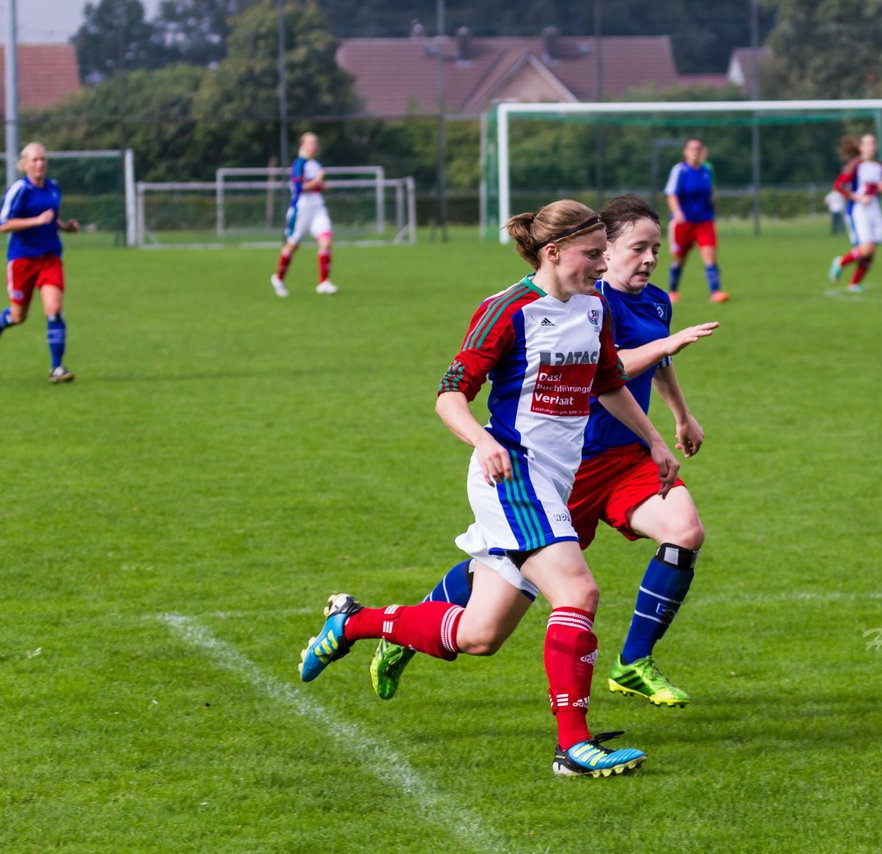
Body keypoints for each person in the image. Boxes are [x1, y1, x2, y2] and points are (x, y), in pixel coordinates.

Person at [298, 199, 681, 778]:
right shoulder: (508, 309)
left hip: (555, 481)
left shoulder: (594, 308)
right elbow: (450, 393)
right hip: (510, 474)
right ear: (553, 252)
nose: (603, 265)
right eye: (592, 254)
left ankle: (352, 622)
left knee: (479, 635)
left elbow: (607, 381)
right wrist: (481, 440)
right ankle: (573, 748)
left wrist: (654, 441)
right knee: (577, 593)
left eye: (606, 253)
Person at [370, 194, 719, 709]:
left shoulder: (621, 302)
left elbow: (611, 377)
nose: (646, 259)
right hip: (553, 471)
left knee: (683, 532)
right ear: (565, 251)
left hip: (622, 461)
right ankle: (397, 627)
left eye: (654, 249)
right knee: (496, 595)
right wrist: (484, 440)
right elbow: (616, 367)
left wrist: (667, 428)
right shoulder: (529, 306)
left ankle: (630, 667)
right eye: (632, 248)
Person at [0, 142, 80, 383]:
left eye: (43, 159)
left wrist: (65, 227)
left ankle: (56, 368)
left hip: (49, 258)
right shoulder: (19, 190)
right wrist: (35, 221)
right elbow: (4, 224)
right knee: (18, 317)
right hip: (22, 260)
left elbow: (52, 219)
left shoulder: (54, 188)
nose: (39, 164)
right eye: (34, 160)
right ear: (24, 164)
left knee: (54, 310)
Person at [271, 132, 337, 297]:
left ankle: (323, 282)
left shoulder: (316, 164)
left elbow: (315, 187)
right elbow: (298, 188)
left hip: (318, 207)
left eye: (315, 142)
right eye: (310, 142)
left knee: (326, 242)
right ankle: (278, 278)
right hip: (301, 209)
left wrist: (322, 185)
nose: (314, 145)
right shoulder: (299, 164)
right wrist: (317, 181)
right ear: (302, 145)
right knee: (293, 245)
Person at [664, 138, 728, 304]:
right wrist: (677, 213)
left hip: (704, 221)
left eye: (699, 148)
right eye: (692, 148)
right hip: (684, 222)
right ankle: (672, 292)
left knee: (710, 255)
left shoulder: (707, 170)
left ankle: (715, 292)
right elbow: (671, 194)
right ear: (686, 151)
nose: (696, 151)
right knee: (679, 259)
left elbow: (711, 192)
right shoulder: (680, 170)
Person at [828, 134, 882, 294]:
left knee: (871, 251)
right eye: (867, 144)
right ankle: (840, 262)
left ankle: (854, 284)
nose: (871, 147)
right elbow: (839, 185)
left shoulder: (880, 166)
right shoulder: (855, 165)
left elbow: (878, 189)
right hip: (858, 211)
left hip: (875, 210)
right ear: (861, 147)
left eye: (873, 143)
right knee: (865, 249)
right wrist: (857, 197)